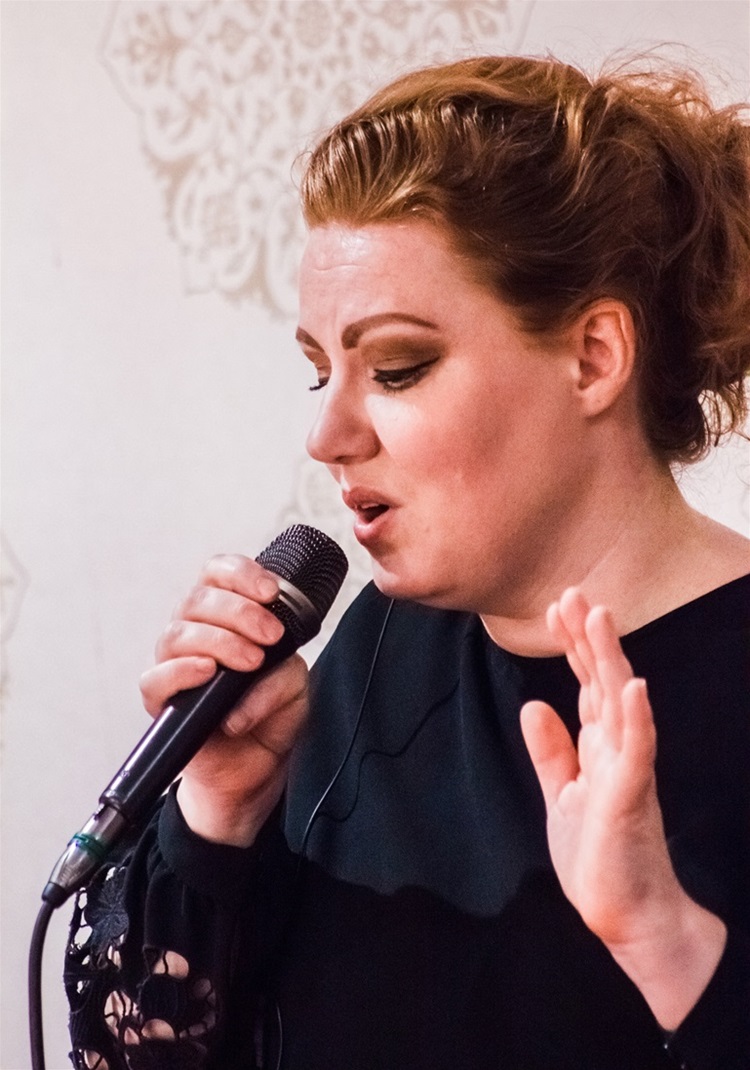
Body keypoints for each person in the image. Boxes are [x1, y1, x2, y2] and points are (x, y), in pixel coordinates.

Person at [65, 54, 749, 1070]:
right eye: (320, 373)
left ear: (594, 356)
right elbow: (139, 1054)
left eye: (396, 367)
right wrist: (219, 816)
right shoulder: (381, 642)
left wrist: (668, 942)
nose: (328, 436)